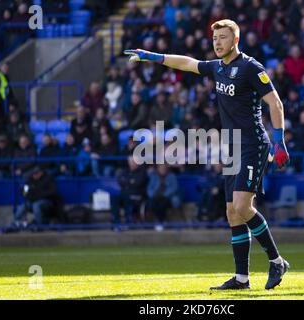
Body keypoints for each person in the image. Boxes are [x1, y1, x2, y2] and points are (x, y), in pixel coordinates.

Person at [125, 18, 290, 290]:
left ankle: (276, 261)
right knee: (232, 213)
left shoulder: (251, 68)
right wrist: (152, 56)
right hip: (231, 146)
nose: (217, 42)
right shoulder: (218, 68)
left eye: (223, 37)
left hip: (253, 144)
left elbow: (275, 102)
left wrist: (279, 140)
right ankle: (241, 278)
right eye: (215, 38)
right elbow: (187, 63)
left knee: (242, 207)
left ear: (235, 40)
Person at [111, 156, 148, 224]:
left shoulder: (142, 172)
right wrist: (131, 181)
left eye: (134, 162)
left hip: (137, 195)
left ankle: (129, 220)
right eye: (131, 162)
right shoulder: (125, 171)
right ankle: (116, 221)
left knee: (126, 197)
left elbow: (138, 183)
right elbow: (120, 182)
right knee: (114, 197)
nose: (132, 164)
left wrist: (127, 182)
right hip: (125, 194)